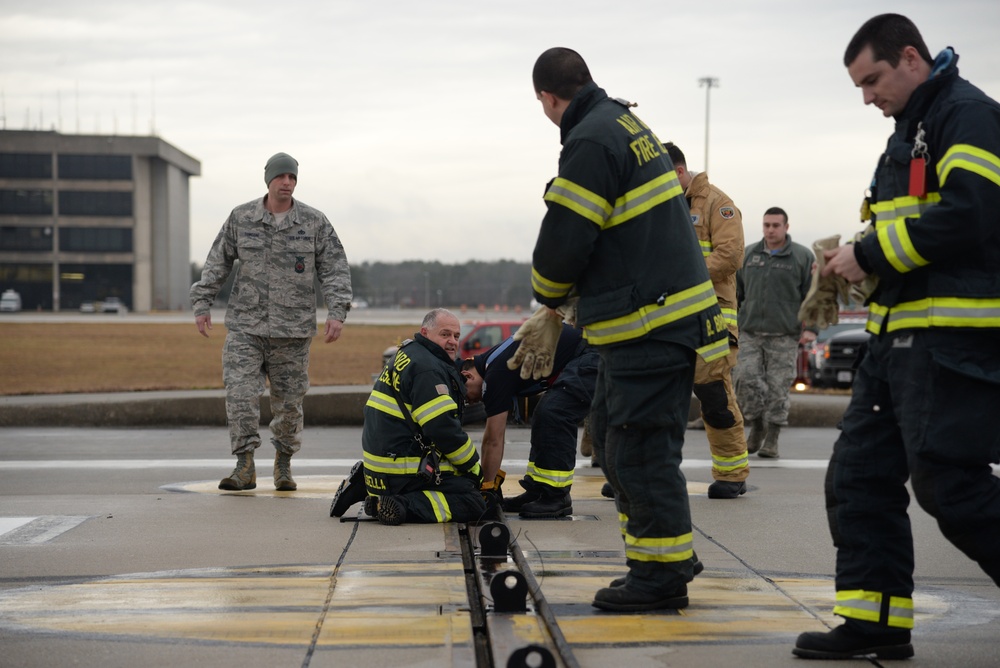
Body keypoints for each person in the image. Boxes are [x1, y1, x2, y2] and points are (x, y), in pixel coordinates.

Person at [793, 14, 1000, 661]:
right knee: (857, 477)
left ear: (912, 57)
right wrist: (852, 256)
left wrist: (872, 251)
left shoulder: (965, 116)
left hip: (947, 340)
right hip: (895, 341)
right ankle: (875, 623)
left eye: (873, 79)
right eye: (859, 85)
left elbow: (973, 211)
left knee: (948, 483)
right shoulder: (908, 132)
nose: (867, 97)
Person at [516, 47, 729, 612]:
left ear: (546, 98)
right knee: (618, 446)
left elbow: (566, 236)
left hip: (649, 325)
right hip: (646, 324)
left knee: (638, 453)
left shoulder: (590, 139)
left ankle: (659, 576)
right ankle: (667, 560)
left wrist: (548, 299)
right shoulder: (624, 123)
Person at [190, 152, 352, 492]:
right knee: (240, 396)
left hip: (292, 333)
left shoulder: (313, 222)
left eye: (292, 178)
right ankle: (244, 464)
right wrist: (202, 301)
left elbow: (334, 268)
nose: (288, 183)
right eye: (281, 177)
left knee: (289, 403)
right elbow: (217, 261)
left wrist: (337, 312)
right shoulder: (242, 217)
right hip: (246, 329)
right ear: (269, 180)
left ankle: (283, 464)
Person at [333, 309, 486, 525]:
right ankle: (401, 505)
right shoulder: (428, 370)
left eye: (456, 336)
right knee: (473, 501)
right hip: (400, 469)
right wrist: (473, 466)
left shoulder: (410, 353)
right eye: (445, 334)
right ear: (425, 332)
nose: (452, 341)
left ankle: (371, 492)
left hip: (382, 463)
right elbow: (442, 429)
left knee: (458, 478)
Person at [664, 142, 749, 498]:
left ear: (680, 172)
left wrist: (682, 275)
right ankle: (647, 471)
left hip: (712, 317)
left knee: (713, 392)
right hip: (668, 316)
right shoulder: (660, 205)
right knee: (657, 395)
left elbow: (730, 257)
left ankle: (731, 474)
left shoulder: (718, 204)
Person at [461, 322, 598, 518]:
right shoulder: (493, 364)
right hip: (583, 353)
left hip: (593, 354)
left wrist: (487, 488)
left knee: (555, 413)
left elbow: (493, 438)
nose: (471, 402)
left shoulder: (494, 375)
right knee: (544, 413)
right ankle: (539, 491)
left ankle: (557, 497)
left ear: (468, 375)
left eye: (467, 397)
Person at [734, 207, 815, 459]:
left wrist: (811, 329)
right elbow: (736, 294)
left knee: (778, 387)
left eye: (775, 225)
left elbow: (813, 297)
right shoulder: (748, 255)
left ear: (786, 227)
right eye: (766, 225)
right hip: (749, 331)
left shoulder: (802, 257)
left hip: (784, 334)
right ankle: (757, 426)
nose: (770, 230)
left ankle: (772, 438)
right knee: (745, 379)